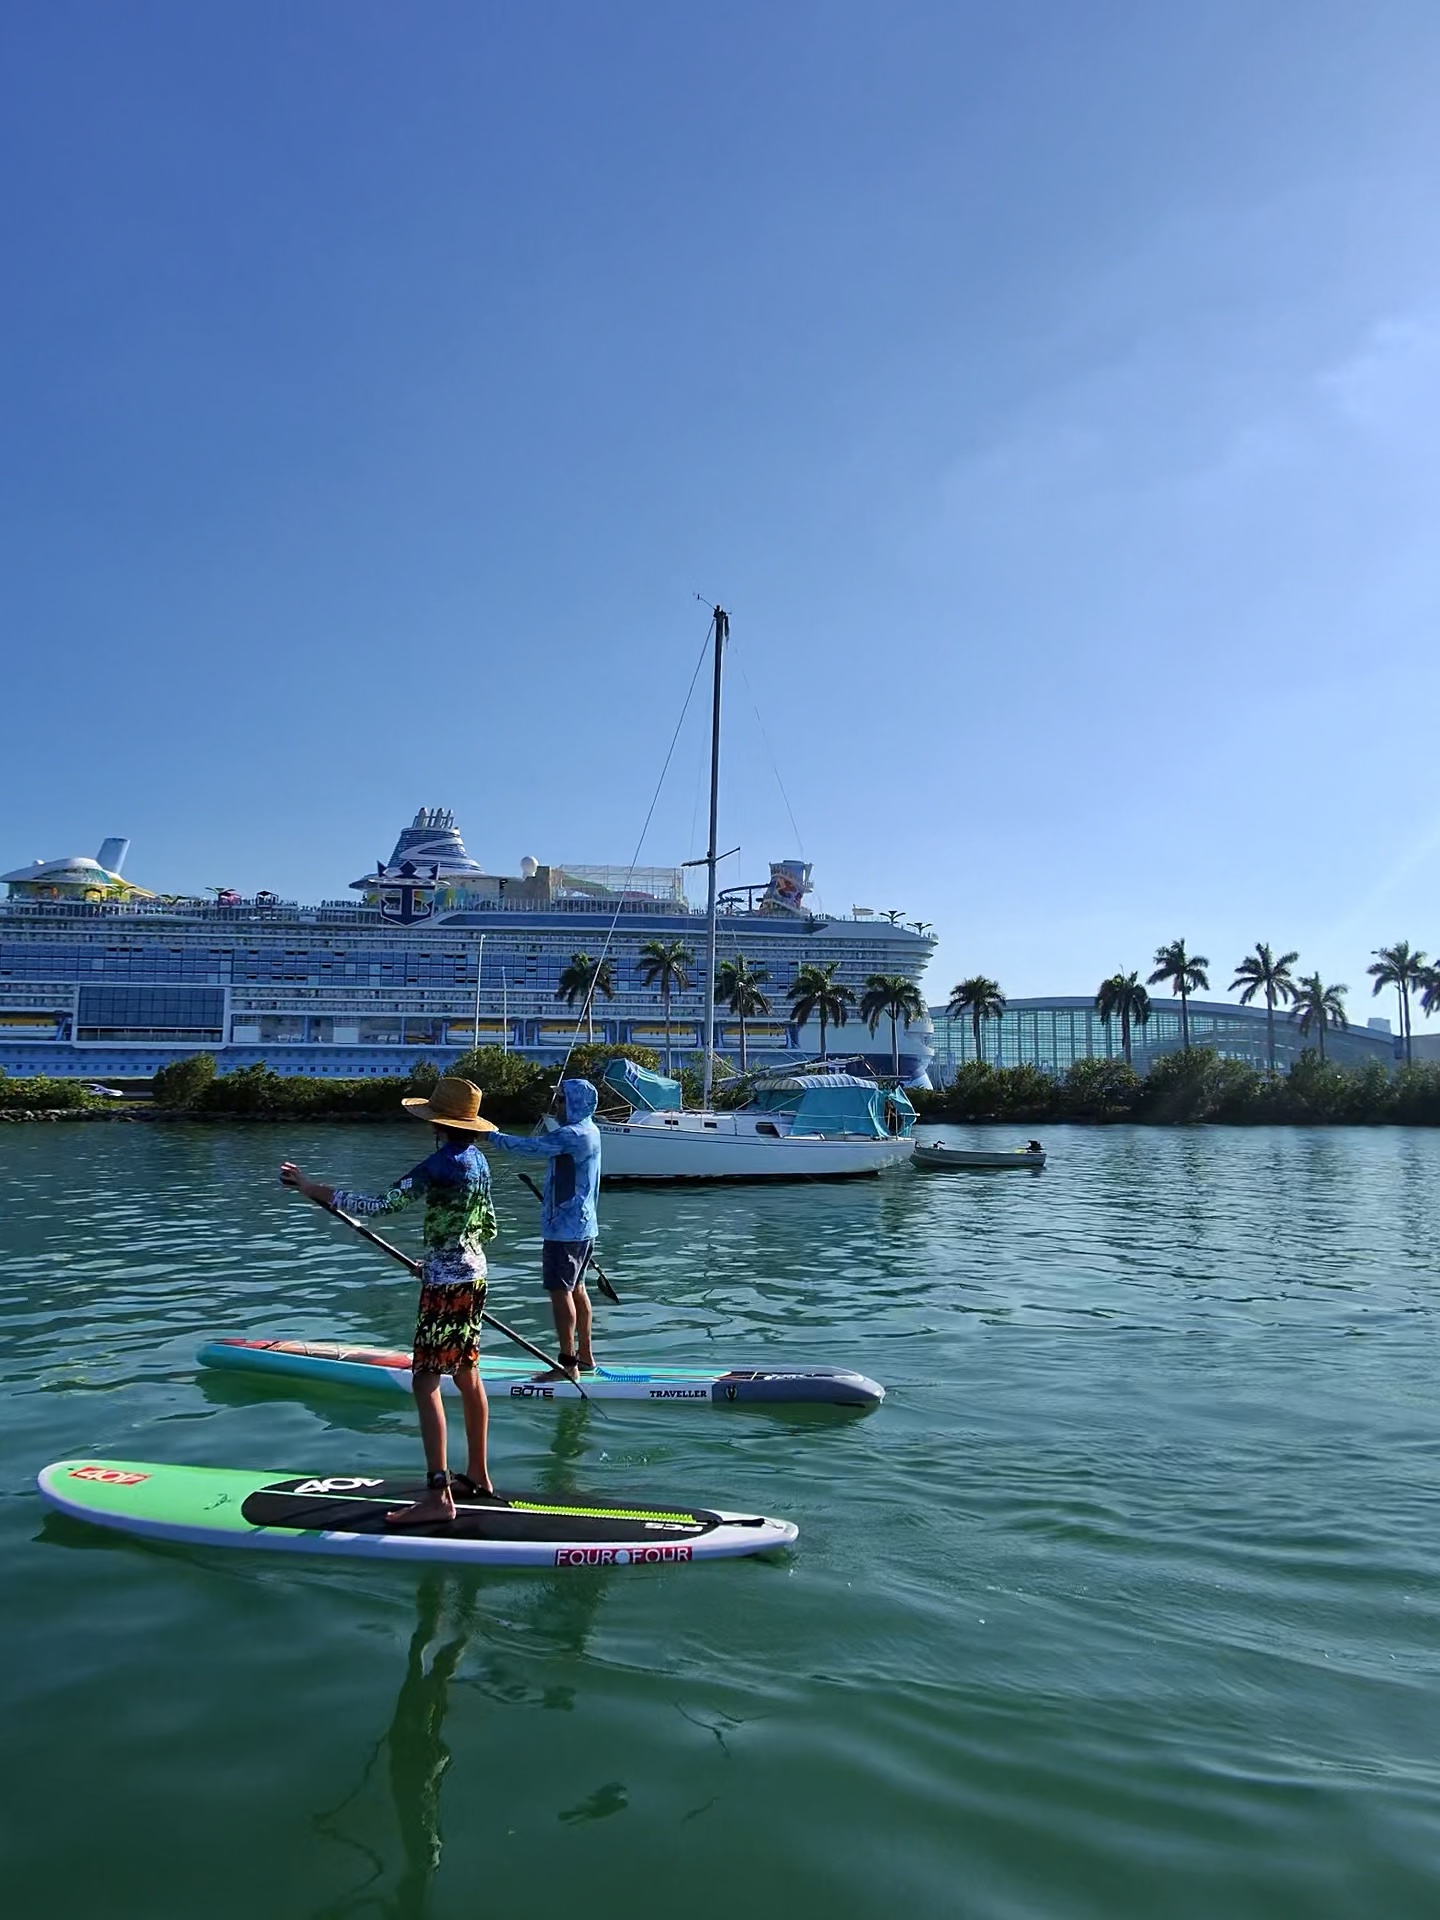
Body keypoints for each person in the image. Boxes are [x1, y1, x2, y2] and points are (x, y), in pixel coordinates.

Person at [279, 1076, 499, 1526]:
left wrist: (312, 1188)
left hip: (446, 1287)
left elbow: (378, 1206)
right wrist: (438, 1257)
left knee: (425, 1382)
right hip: (474, 1276)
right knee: (467, 1373)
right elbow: (485, 1225)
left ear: (437, 1122)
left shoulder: (440, 1164)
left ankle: (439, 1496)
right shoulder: (479, 1162)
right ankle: (478, 1474)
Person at [489, 1078, 602, 1382]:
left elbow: (530, 1148)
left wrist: (491, 1135)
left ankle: (568, 1365)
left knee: (560, 1291)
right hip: (584, 1224)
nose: (557, 1106)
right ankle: (586, 1356)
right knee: (577, 1289)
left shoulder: (572, 1134)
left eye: (562, 1100)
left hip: (564, 1228)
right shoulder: (591, 1129)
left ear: (576, 1102)